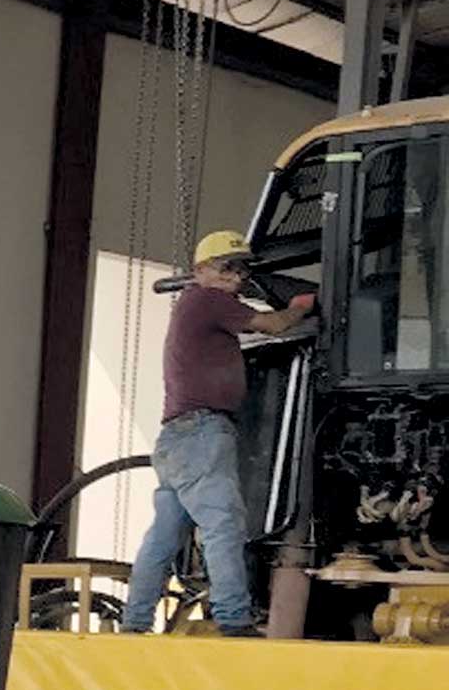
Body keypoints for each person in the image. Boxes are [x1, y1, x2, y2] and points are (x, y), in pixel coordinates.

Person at [120, 228, 316, 636]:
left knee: (164, 536)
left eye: (242, 270)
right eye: (227, 268)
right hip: (203, 432)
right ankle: (233, 619)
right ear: (202, 271)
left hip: (177, 438)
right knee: (223, 525)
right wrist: (303, 303)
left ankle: (135, 623)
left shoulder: (196, 306)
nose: (237, 277)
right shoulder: (209, 300)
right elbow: (275, 324)